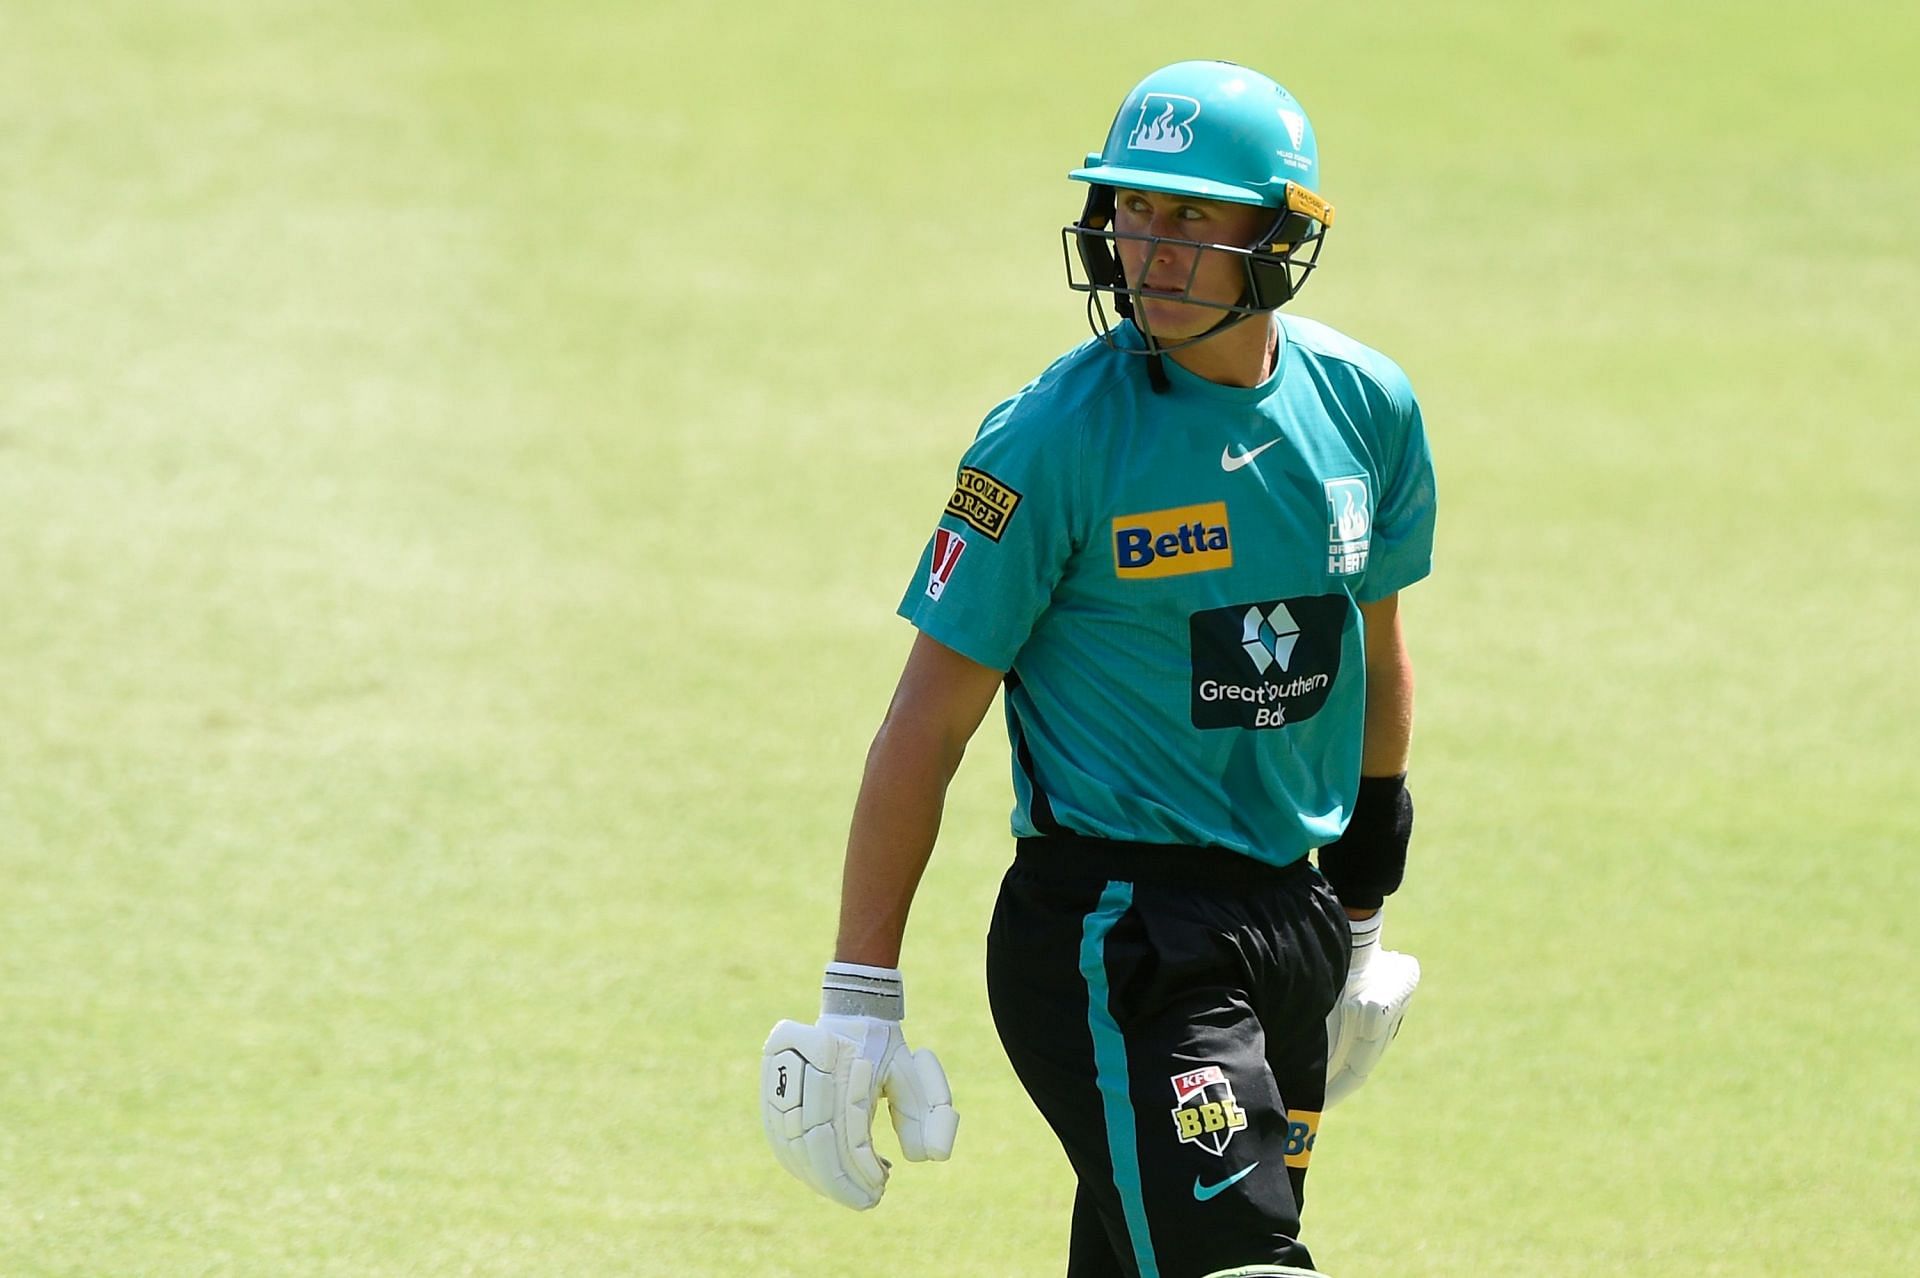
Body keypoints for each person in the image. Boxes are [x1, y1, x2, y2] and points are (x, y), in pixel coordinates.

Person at [760, 59, 1436, 1278]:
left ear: (1278, 237)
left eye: (1191, 217)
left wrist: (1362, 918)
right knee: (1240, 1264)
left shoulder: (1368, 407)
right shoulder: (1051, 440)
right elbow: (925, 721)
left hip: (1287, 919)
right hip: (1120, 933)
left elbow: (1374, 668)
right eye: (1132, 210)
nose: (1150, 249)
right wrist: (859, 993)